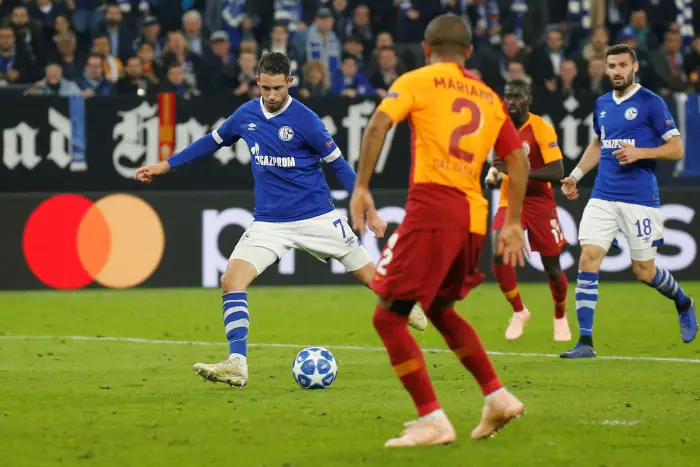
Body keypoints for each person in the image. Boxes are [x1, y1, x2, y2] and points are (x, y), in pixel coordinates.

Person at [133, 52, 427, 387]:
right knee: (232, 280)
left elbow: (339, 165)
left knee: (372, 279)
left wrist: (369, 209)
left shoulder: (307, 121)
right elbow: (210, 143)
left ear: (290, 82)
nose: (271, 96)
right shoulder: (246, 114)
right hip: (269, 223)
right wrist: (165, 165)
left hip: (317, 217)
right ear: (257, 81)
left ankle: (402, 301)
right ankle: (237, 363)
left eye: (278, 88)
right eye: (266, 88)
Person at [349, 14, 530, 447]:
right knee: (440, 309)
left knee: (388, 316)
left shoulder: (418, 80)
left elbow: (377, 124)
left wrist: (361, 187)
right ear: (469, 53)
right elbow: (518, 159)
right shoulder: (488, 96)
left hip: (433, 207)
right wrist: (513, 221)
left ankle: (432, 418)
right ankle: (497, 395)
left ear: (426, 49)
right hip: (473, 218)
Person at [559, 44, 697, 359]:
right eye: (612, 66)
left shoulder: (651, 103)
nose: (617, 71)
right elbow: (599, 143)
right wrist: (576, 175)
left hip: (640, 199)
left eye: (622, 65)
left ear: (634, 65)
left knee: (644, 271)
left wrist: (641, 153)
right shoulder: (603, 104)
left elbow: (676, 149)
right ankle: (585, 342)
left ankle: (682, 301)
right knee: (588, 257)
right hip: (603, 195)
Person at [485, 79, 571, 342]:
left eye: (517, 96)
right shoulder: (500, 126)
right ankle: (519, 311)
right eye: (508, 96)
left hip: (539, 201)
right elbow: (497, 161)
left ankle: (560, 314)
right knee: (499, 249)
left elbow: (557, 172)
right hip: (511, 200)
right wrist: (494, 174)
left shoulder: (540, 127)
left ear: (529, 99)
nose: (511, 101)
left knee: (552, 267)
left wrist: (520, 172)